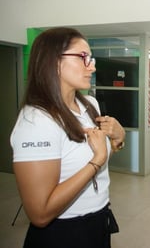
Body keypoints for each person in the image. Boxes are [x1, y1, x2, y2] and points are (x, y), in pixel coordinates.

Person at [10, 27, 126, 248]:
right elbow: (40, 213)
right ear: (53, 61)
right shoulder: (36, 121)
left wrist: (119, 137)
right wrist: (97, 161)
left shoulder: (90, 104)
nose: (92, 65)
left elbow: (98, 149)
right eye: (83, 57)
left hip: (99, 219)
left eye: (90, 58)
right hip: (64, 232)